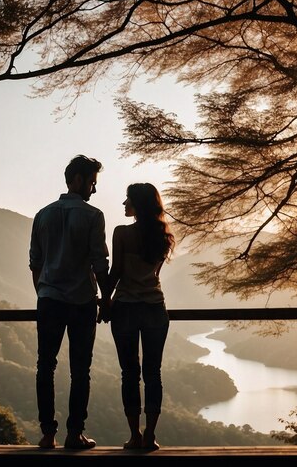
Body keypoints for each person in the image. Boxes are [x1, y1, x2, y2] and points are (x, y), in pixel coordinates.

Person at [29, 154, 111, 450]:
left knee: (45, 366)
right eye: (91, 182)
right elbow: (99, 262)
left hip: (48, 300)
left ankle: (47, 434)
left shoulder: (42, 215)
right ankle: (74, 434)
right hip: (81, 301)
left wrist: (42, 292)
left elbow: (35, 262)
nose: (93, 189)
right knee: (80, 370)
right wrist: (107, 298)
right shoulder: (92, 216)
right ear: (77, 180)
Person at [105, 183, 175, 450]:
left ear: (137, 204)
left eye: (128, 200)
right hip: (155, 308)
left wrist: (105, 302)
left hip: (125, 308)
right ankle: (150, 436)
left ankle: (134, 435)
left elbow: (117, 272)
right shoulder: (163, 236)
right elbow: (153, 276)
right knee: (153, 373)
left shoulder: (121, 233)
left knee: (129, 373)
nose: (124, 204)